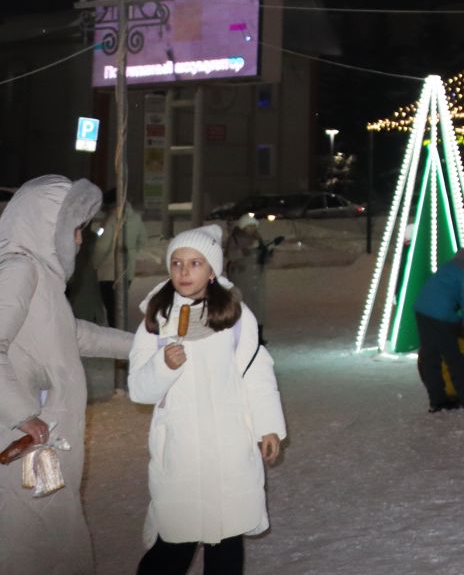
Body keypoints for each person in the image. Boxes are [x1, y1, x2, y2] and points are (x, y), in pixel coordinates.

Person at [129, 225, 287, 575]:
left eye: (196, 263)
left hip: (229, 448)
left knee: (226, 542)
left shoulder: (237, 318)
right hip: (181, 450)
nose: (184, 272)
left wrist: (268, 427)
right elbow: (139, 389)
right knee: (174, 545)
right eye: (177, 263)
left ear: (213, 270)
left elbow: (256, 373)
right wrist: (163, 367)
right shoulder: (156, 321)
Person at [0, 176, 136, 574]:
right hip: (26, 443)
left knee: (56, 542)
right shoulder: (19, 269)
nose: (80, 240)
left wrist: (145, 347)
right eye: (73, 229)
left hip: (47, 446)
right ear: (48, 227)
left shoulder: (42, 279)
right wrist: (24, 412)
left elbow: (73, 335)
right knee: (28, 545)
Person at [413, 244, 464, 411]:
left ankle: (436, 400)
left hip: (422, 308)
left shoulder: (451, 265)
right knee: (453, 356)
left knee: (430, 356)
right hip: (441, 314)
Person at [93, 187, 148, 328]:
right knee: (120, 306)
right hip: (127, 271)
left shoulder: (111, 220)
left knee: (111, 309)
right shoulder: (136, 218)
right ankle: (121, 331)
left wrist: (93, 265)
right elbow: (143, 240)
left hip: (108, 272)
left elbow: (102, 245)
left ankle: (115, 335)